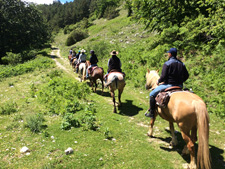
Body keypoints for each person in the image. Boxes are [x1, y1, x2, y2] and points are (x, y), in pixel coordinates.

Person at [145, 48, 189, 118]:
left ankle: (152, 113)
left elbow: (163, 76)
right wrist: (181, 81)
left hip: (168, 85)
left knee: (152, 94)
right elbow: (187, 75)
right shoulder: (182, 64)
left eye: (168, 53)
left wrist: (158, 81)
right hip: (179, 86)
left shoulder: (167, 64)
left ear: (170, 54)